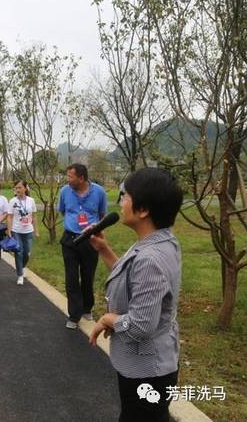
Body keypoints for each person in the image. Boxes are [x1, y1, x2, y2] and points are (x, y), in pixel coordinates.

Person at [88, 168, 183, 422]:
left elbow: (140, 325)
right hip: (152, 364)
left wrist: (108, 320)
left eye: (125, 195)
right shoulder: (161, 241)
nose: (120, 201)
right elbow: (134, 281)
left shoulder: (150, 258)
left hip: (148, 370)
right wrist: (105, 250)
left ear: (143, 210)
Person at [58, 163, 108, 329]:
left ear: (81, 178)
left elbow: (102, 214)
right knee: (71, 278)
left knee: (87, 276)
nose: (68, 179)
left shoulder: (99, 192)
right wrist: (74, 223)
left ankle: (87, 307)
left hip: (90, 240)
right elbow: (64, 211)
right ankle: (74, 314)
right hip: (70, 239)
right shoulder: (65, 191)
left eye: (71, 176)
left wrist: (93, 230)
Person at [7, 180, 40, 285]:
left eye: (20, 187)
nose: (18, 190)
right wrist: (9, 230)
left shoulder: (31, 200)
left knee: (27, 253)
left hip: (28, 230)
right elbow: (9, 217)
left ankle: (21, 266)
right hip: (16, 231)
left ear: (25, 188)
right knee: (19, 252)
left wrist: (36, 230)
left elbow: (34, 217)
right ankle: (20, 274)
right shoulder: (12, 201)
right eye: (16, 188)